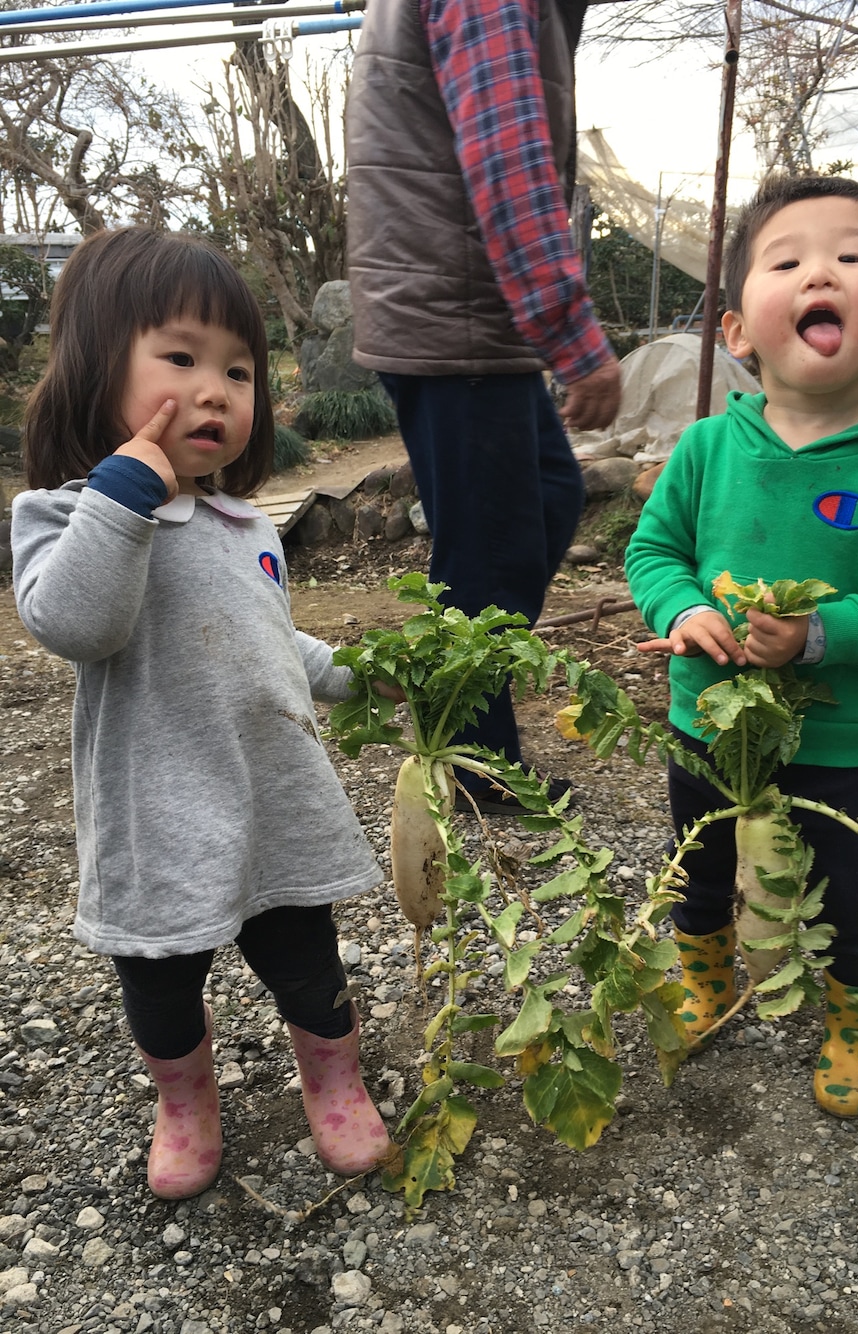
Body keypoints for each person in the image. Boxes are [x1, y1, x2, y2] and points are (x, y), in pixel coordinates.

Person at [11, 228, 392, 1199]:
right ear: (96, 367)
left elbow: (273, 643)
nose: (216, 390)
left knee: (308, 962)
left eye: (238, 370)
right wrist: (125, 493)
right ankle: (184, 1103)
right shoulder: (64, 513)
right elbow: (76, 623)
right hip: (158, 814)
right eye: (181, 358)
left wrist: (365, 674)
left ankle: (334, 1080)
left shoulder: (249, 524)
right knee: (162, 981)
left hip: (275, 797)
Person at [624, 174, 858, 1118]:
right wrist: (680, 610)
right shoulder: (706, 449)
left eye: (851, 255)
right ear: (738, 330)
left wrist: (818, 634)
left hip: (835, 740)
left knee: (844, 883)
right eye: (788, 261)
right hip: (707, 722)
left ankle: (857, 1015)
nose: (821, 272)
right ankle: (706, 971)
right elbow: (653, 553)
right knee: (699, 863)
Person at [346, 0, 621, 814]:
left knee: (545, 499)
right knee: (490, 553)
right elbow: (508, 164)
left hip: (464, 312)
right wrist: (573, 336)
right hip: (452, 314)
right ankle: (472, 760)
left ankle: (449, 700)